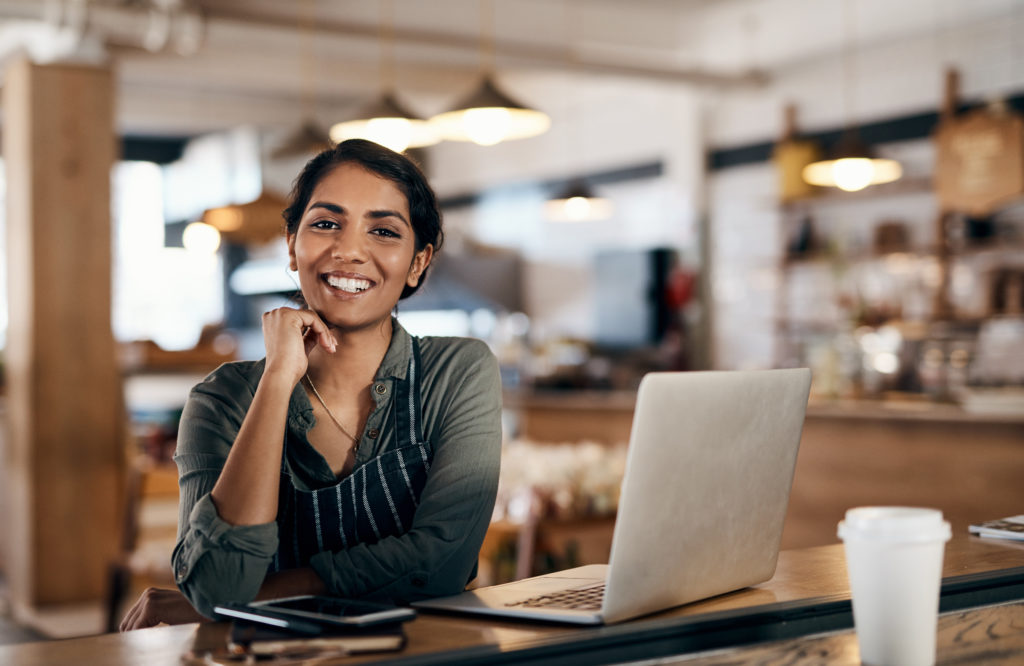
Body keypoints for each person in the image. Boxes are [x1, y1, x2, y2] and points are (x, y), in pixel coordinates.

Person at [121, 139, 503, 630]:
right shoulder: (221, 400)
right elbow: (217, 583)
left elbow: (440, 564)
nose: (349, 250)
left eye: (384, 231)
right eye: (326, 224)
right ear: (291, 247)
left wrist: (260, 596)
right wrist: (278, 379)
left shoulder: (457, 371)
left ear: (418, 263)